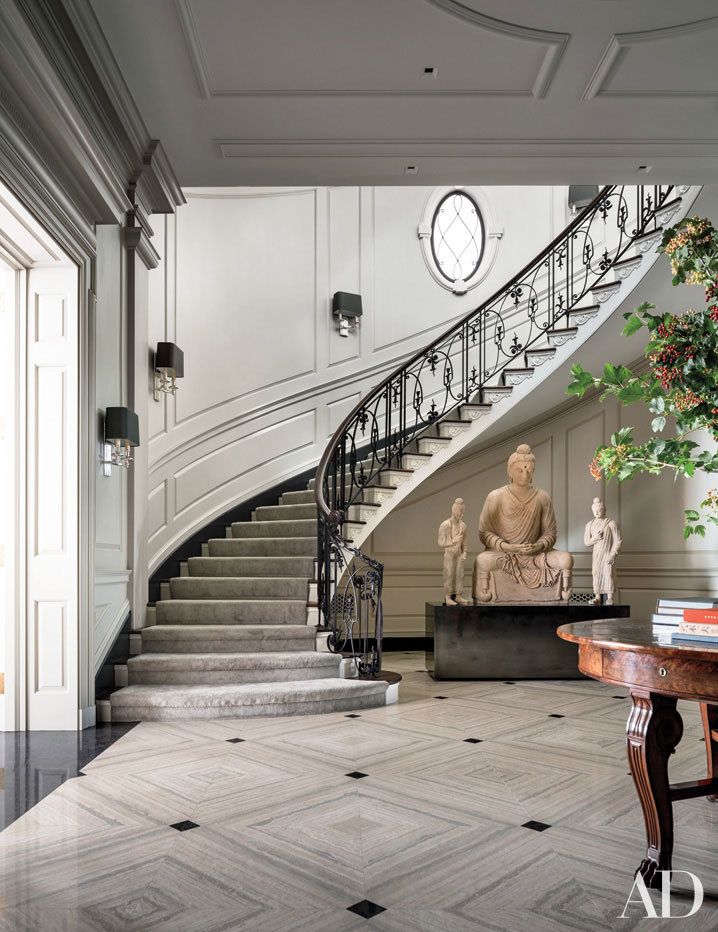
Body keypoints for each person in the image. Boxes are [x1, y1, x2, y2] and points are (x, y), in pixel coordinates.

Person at [473, 444, 573, 602]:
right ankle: (484, 591)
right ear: (509, 471)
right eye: (519, 470)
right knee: (483, 560)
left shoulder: (542, 497)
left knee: (565, 559)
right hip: (505, 554)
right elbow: (485, 533)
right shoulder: (496, 496)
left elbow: (550, 533)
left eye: (529, 470)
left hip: (536, 555)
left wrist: (537, 546)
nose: (525, 475)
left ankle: (565, 590)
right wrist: (507, 547)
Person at [584, 497, 622, 605]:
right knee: (596, 573)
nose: (597, 512)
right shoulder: (589, 525)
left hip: (607, 553)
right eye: (595, 511)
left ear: (604, 510)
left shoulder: (611, 523)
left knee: (608, 574)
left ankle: (609, 597)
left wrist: (613, 554)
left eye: (599, 510)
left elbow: (618, 541)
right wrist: (594, 538)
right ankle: (597, 597)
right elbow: (587, 542)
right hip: (596, 555)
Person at [438, 498, 467, 605]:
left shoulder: (463, 526)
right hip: (449, 554)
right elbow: (441, 543)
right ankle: (448, 596)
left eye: (463, 512)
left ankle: (458, 595)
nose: (461, 514)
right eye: (460, 512)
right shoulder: (446, 525)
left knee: (459, 574)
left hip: (459, 553)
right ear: (454, 511)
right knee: (449, 574)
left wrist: (464, 553)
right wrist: (452, 541)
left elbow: (465, 543)